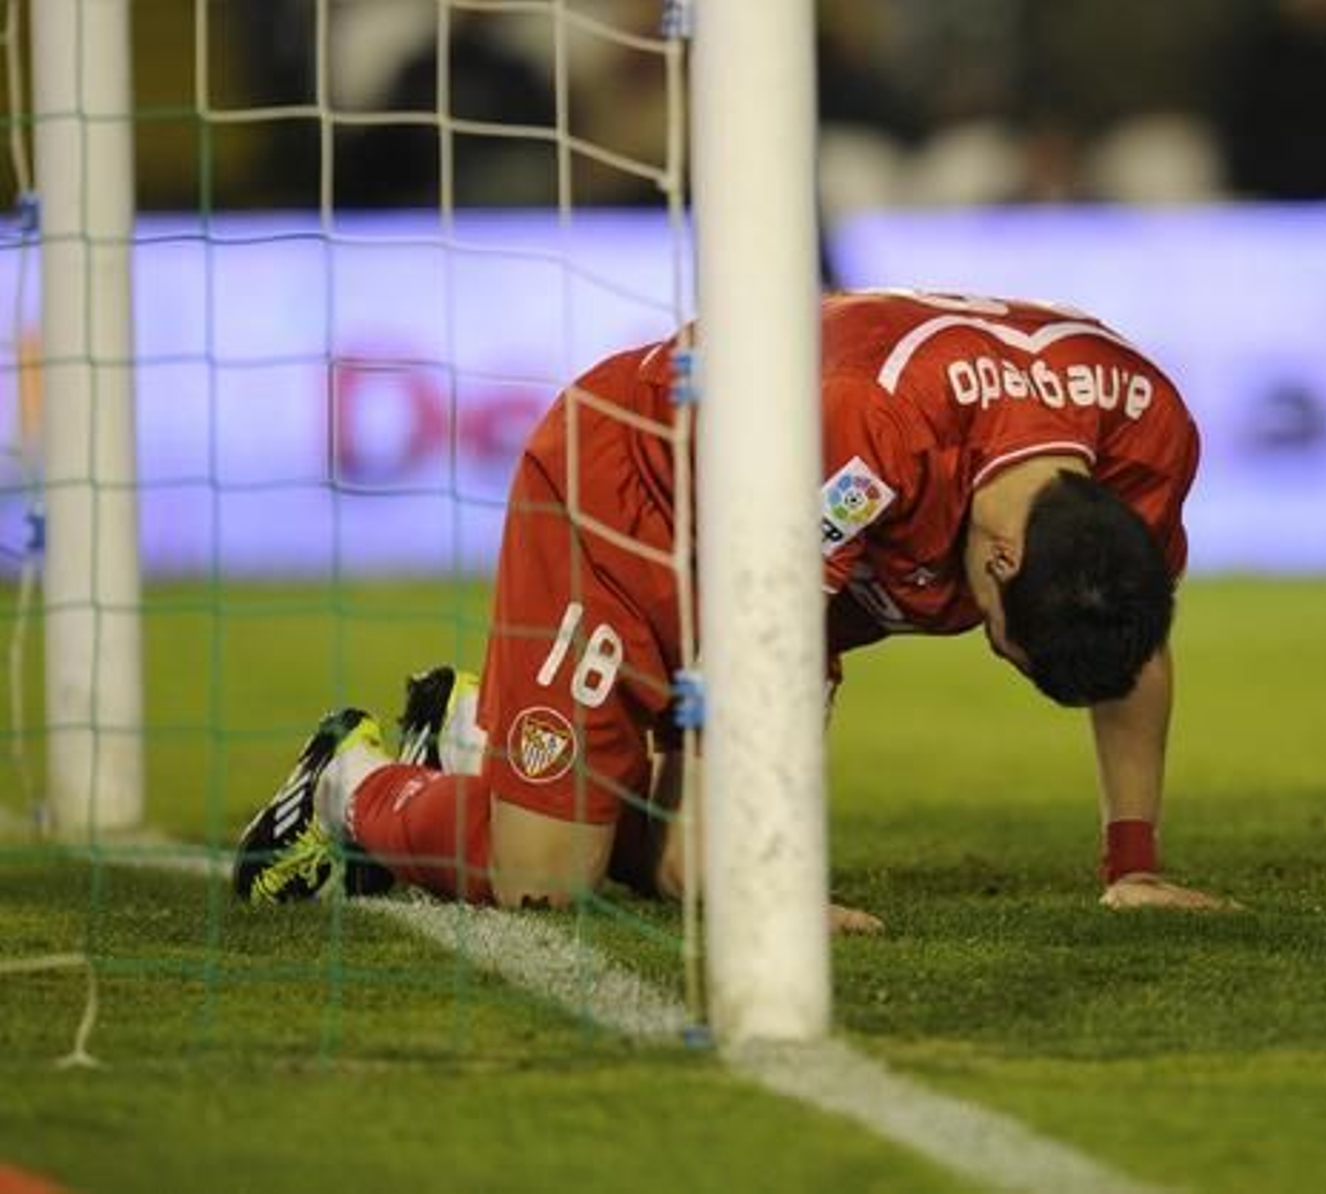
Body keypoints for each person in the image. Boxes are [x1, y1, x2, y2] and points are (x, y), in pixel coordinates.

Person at [232, 289, 1233, 930]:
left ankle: (473, 732)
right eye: (1008, 647)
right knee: (548, 878)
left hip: (762, 541)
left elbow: (1133, 637)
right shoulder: (869, 437)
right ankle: (349, 783)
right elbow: (771, 657)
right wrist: (767, 877)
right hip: (629, 498)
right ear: (1003, 556)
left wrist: (1132, 864)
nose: (997, 655)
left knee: (683, 864)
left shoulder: (1144, 439)